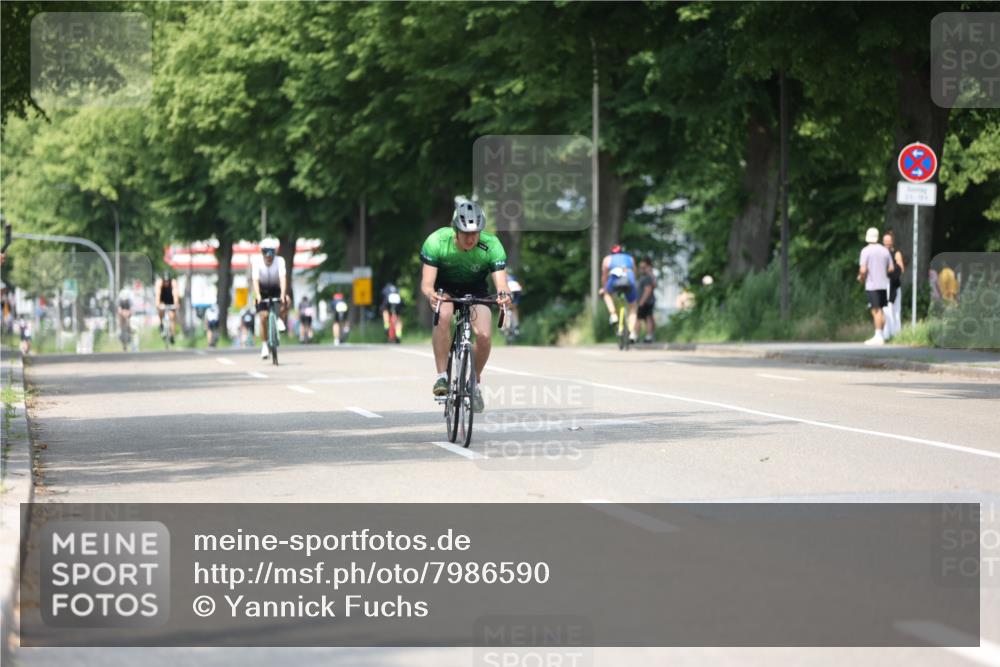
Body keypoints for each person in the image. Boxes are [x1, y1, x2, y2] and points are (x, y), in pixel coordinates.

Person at [420, 200, 511, 413]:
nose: (470, 238)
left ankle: (474, 383)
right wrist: (431, 294)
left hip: (476, 290)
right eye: (465, 233)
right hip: (445, 288)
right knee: (443, 316)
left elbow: (501, 284)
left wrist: (504, 295)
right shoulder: (437, 241)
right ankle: (442, 377)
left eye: (475, 233)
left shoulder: (491, 245)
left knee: (485, 336)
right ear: (455, 230)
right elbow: (426, 284)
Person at [252, 237, 289, 359]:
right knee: (263, 317)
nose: (268, 256)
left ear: (275, 252)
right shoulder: (256, 262)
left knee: (286, 301)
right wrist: (257, 295)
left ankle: (280, 319)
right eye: (265, 252)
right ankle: (264, 345)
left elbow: (283, 278)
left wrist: (283, 293)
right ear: (262, 252)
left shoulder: (280, 261)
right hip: (262, 290)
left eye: (271, 252)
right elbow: (255, 280)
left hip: (275, 289)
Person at [857, 226, 894, 345]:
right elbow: (891, 268)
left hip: (872, 284)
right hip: (883, 284)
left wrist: (861, 278)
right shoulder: (884, 250)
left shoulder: (865, 251)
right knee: (881, 310)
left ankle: (878, 336)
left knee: (875, 310)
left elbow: (863, 270)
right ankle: (881, 335)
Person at [599, 243, 639, 344]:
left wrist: (604, 288)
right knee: (633, 306)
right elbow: (635, 273)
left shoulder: (607, 259)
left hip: (615, 280)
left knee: (606, 294)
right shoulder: (630, 258)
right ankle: (632, 332)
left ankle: (613, 315)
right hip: (629, 280)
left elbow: (604, 276)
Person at [883, 231, 905, 339]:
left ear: (892, 242)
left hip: (894, 285)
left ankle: (897, 334)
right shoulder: (881, 253)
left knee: (896, 310)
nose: (887, 243)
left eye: (889, 241)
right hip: (884, 285)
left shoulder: (896, 253)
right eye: (885, 241)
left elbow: (901, 268)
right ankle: (887, 334)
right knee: (886, 310)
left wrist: (890, 272)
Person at [154, 270, 180, 344]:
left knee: (172, 316)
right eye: (165, 281)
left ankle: (172, 334)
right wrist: (158, 304)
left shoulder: (173, 283)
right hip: (162, 300)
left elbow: (175, 294)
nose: (166, 283)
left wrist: (176, 303)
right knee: (161, 310)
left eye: (168, 281)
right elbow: (158, 295)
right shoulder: (159, 283)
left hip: (171, 300)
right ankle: (161, 323)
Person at [635, 257, 657, 343]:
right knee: (648, 318)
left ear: (648, 266)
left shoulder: (648, 277)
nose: (641, 269)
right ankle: (649, 335)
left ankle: (638, 335)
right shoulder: (646, 276)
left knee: (643, 318)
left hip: (645, 301)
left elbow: (648, 290)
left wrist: (641, 302)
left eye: (643, 267)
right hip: (646, 301)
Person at [505, 271, 522, 338]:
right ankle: (516, 326)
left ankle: (503, 326)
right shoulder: (514, 277)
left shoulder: (504, 276)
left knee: (504, 308)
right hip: (516, 289)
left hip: (509, 289)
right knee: (514, 308)